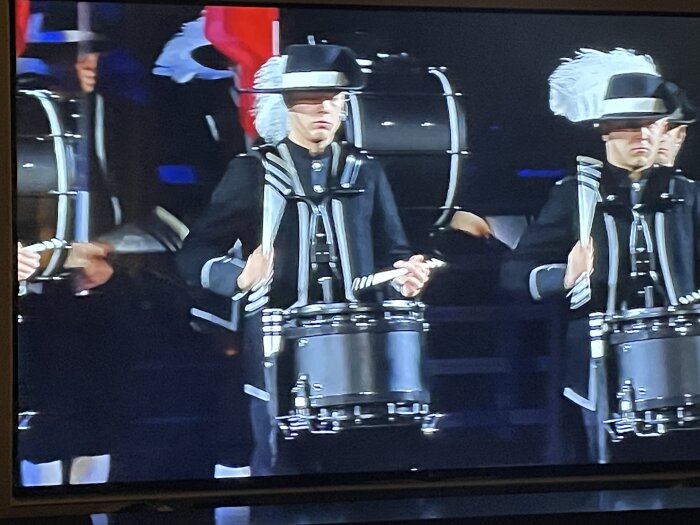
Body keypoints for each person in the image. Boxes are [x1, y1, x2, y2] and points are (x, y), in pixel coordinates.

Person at [177, 44, 431, 474]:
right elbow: (194, 254)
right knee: (277, 462)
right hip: (276, 346)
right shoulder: (252, 172)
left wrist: (405, 277)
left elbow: (395, 251)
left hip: (359, 350)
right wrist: (239, 276)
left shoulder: (365, 171)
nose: (324, 110)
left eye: (333, 100)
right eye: (311, 100)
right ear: (288, 104)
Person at [501, 48, 700, 463]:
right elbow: (514, 272)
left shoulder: (686, 195)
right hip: (600, 370)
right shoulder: (575, 195)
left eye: (652, 125)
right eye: (630, 126)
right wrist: (565, 276)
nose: (644, 135)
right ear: (605, 131)